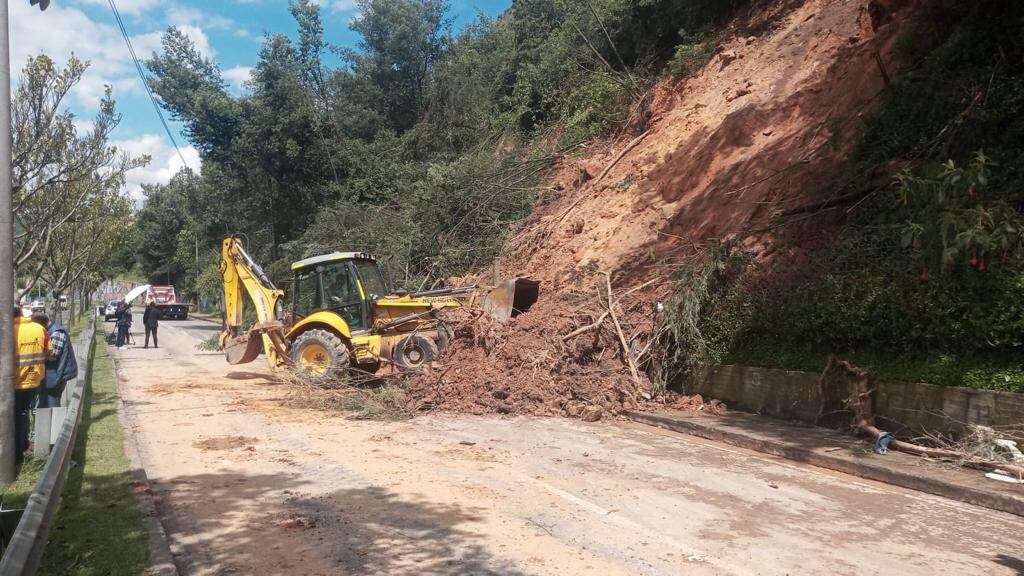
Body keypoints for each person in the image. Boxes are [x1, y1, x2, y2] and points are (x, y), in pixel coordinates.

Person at [13, 306, 49, 461]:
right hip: (35, 379)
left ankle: (19, 448)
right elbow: (49, 352)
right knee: (32, 410)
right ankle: (31, 443)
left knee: (19, 414)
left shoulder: (6, 330)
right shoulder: (39, 329)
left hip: (14, 382)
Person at [32, 313, 77, 408]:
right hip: (52, 374)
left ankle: (56, 422)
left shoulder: (56, 333)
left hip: (55, 375)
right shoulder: (50, 331)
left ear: (40, 324)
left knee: (52, 404)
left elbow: (53, 355)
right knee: (44, 403)